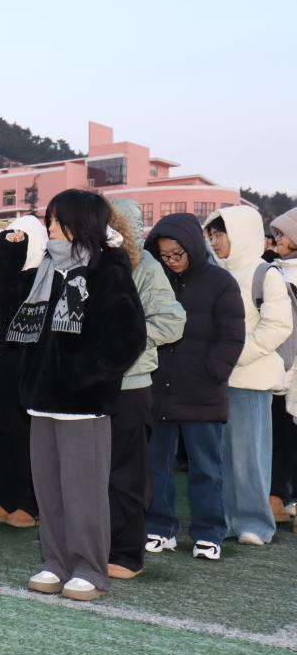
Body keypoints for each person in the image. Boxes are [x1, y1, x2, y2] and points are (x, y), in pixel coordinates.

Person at [4, 189, 145, 602]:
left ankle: (89, 568)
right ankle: (56, 561)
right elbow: (11, 313)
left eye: (56, 220)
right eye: (48, 220)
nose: (49, 227)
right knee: (49, 490)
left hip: (83, 404)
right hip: (42, 400)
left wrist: (83, 374)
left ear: (79, 223)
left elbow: (128, 337)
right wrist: (10, 258)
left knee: (84, 493)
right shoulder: (46, 268)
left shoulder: (107, 268)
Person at [144, 213, 244, 561]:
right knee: (156, 465)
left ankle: (209, 533)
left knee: (206, 468)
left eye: (177, 253)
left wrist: (213, 372)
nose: (171, 260)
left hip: (203, 391)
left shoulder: (221, 281)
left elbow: (232, 334)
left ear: (192, 246)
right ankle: (159, 528)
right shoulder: (154, 279)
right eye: (164, 255)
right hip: (157, 388)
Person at [106, 200, 186, 579]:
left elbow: (172, 321)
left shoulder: (146, 267)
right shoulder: (90, 263)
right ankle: (94, 543)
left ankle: (126, 553)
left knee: (126, 474)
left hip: (130, 384)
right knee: (92, 472)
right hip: (87, 385)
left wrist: (123, 339)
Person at [204, 205, 293, 547]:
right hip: (217, 379)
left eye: (220, 234)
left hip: (250, 379)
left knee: (249, 456)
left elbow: (278, 326)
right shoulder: (215, 272)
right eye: (211, 235)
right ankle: (228, 519)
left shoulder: (264, 273)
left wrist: (234, 355)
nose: (214, 242)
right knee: (221, 456)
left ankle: (255, 523)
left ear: (240, 234)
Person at [0, 215, 47, 527]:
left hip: (24, 369)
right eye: (7, 239)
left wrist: (10, 260)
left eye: (19, 239)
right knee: (0, 436)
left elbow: (12, 307)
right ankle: (7, 498)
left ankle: (29, 503)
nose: (11, 244)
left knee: (23, 440)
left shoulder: (41, 278)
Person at [268, 208, 297, 525]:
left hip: (291, 366)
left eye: (283, 233)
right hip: (277, 367)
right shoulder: (273, 271)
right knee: (278, 433)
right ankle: (276, 495)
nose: (276, 238)